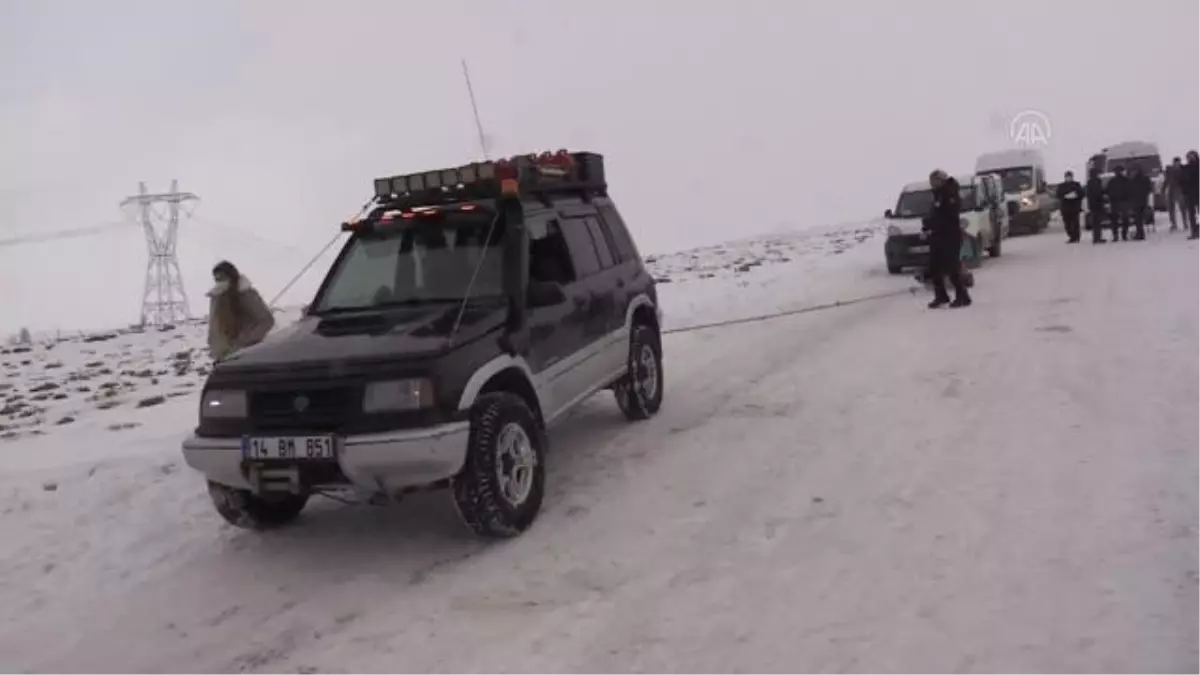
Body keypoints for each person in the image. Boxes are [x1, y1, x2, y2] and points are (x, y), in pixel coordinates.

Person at [207, 260, 275, 361]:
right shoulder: (217, 297)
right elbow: (215, 325)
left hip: (245, 355)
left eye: (222, 278)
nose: (219, 282)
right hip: (222, 356)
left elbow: (266, 320)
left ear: (232, 277)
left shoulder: (246, 294)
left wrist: (244, 342)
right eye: (217, 279)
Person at [921, 169, 971, 308]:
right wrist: (927, 224)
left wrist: (932, 223)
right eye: (931, 181)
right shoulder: (938, 195)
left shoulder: (950, 194)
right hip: (938, 236)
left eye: (934, 181)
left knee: (952, 267)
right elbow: (935, 214)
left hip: (950, 236)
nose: (932, 184)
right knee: (934, 268)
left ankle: (963, 296)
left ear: (941, 180)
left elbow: (949, 217)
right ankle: (941, 296)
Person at [1055, 170, 1085, 243]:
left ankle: (1076, 237)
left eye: (1070, 177)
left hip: (1074, 207)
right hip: (1065, 208)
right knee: (1067, 224)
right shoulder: (1061, 186)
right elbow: (1058, 195)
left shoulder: (1076, 184)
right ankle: (1071, 235)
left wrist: (1076, 195)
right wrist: (1065, 196)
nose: (1068, 178)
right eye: (1067, 177)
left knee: (1075, 223)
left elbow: (1082, 194)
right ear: (1065, 177)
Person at [1106, 165, 1133, 241]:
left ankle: (1115, 235)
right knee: (1125, 219)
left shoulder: (1111, 181)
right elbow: (1130, 191)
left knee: (1114, 220)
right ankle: (1124, 234)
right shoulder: (1127, 180)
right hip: (1124, 202)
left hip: (1114, 203)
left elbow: (1107, 191)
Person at [1129, 165, 1152, 239]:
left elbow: (1131, 190)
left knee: (1138, 218)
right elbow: (1148, 189)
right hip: (1143, 200)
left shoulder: (1134, 180)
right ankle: (1140, 233)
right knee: (1139, 218)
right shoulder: (1145, 178)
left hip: (1137, 201)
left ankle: (1140, 234)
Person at [1085, 167, 1108, 244]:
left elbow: (1089, 194)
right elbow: (1098, 193)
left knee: (1095, 222)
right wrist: (1103, 196)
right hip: (1098, 204)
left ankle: (1096, 238)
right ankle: (1098, 238)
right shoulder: (1097, 181)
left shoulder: (1089, 182)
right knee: (1098, 222)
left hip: (1092, 205)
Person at [1164, 157, 1185, 231]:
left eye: (1178, 163)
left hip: (1179, 188)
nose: (1177, 164)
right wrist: (1163, 188)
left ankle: (1185, 223)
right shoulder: (1169, 170)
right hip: (1171, 188)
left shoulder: (1183, 169)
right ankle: (1173, 224)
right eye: (1176, 163)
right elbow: (1166, 180)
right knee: (1171, 208)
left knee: (1182, 207)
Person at [1184, 151, 1200, 239]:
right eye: (1189, 157)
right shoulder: (1186, 168)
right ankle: (1194, 231)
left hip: (1197, 193)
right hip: (1190, 194)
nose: (1190, 158)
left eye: (1192, 156)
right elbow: (1183, 180)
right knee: (1191, 214)